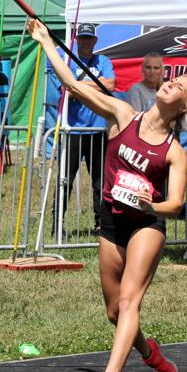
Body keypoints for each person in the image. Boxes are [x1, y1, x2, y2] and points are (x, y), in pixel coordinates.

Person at [28, 18, 187, 372]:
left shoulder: (174, 152)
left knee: (129, 301)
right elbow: (74, 86)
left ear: (183, 107)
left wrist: (150, 204)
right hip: (111, 223)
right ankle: (150, 353)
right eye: (170, 79)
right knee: (114, 311)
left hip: (146, 224)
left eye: (179, 86)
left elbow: (175, 204)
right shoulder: (124, 114)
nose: (170, 82)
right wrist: (45, 41)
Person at [47, 23, 115, 235]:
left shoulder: (103, 60)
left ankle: (101, 224)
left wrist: (78, 87)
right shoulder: (67, 61)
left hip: (97, 130)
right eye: (82, 38)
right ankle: (57, 225)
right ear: (76, 41)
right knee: (64, 180)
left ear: (95, 41)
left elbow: (110, 85)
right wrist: (95, 85)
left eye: (89, 38)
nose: (86, 42)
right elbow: (65, 89)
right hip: (72, 130)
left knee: (100, 181)